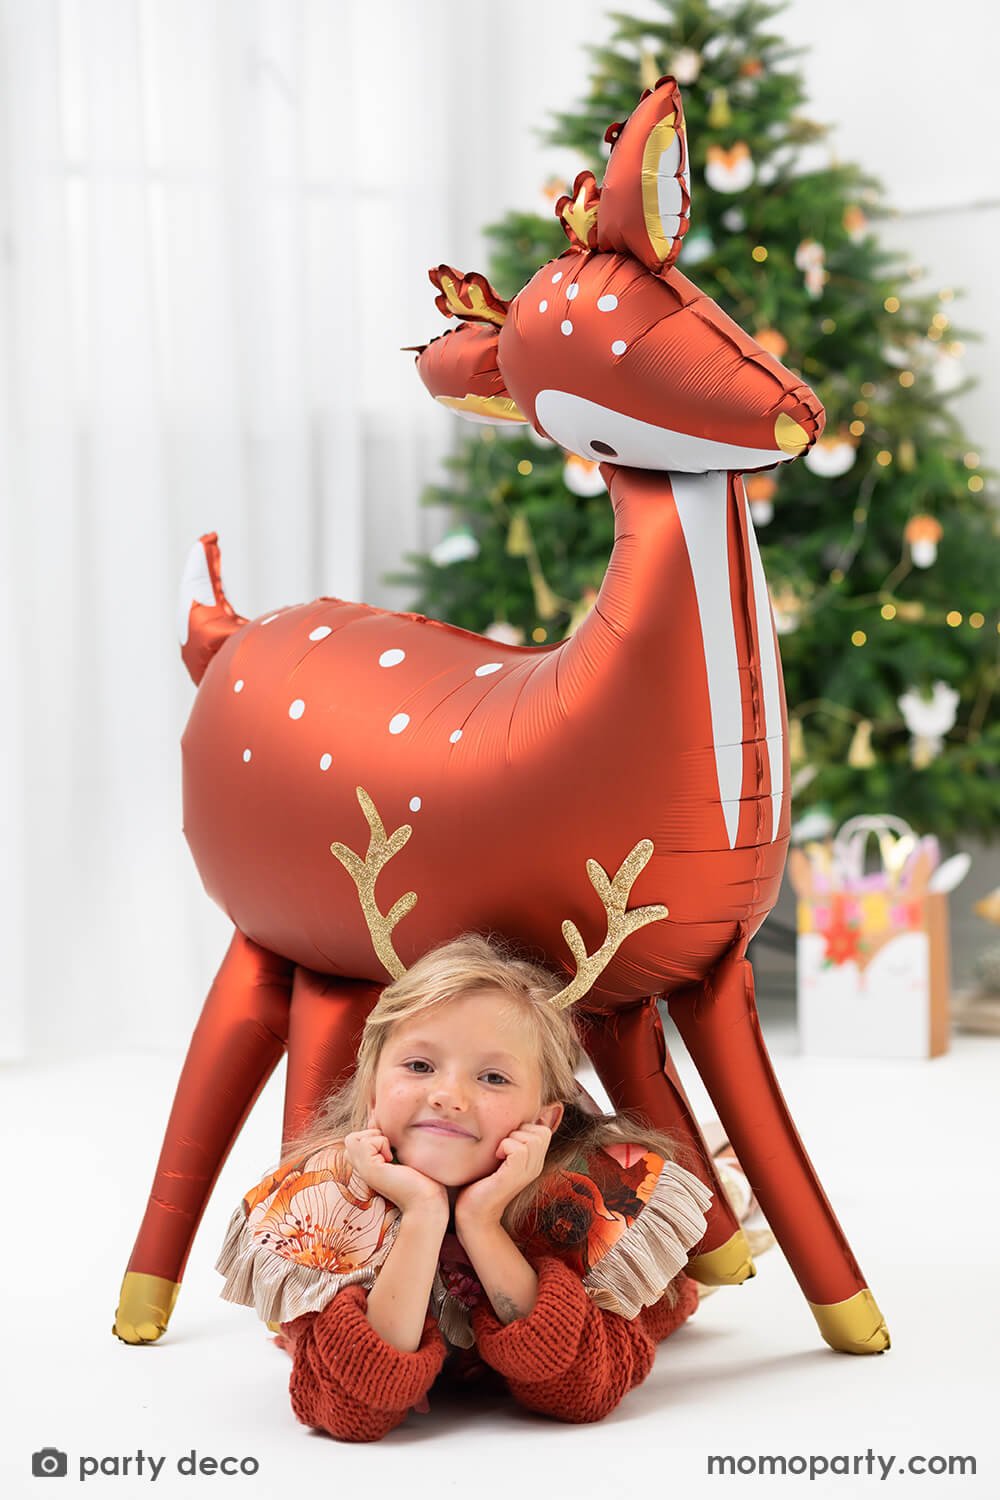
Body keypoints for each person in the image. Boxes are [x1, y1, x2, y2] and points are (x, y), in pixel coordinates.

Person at [216, 932, 714, 1442]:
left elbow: (583, 1392)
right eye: (419, 1065)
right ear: (370, 1091)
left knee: (686, 1276)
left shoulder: (581, 1200)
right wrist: (423, 1214)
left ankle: (730, 1174)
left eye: (493, 1078)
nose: (449, 1097)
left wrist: (481, 1221)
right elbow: (350, 1408)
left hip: (629, 1281)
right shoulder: (323, 1203)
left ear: (542, 1120)